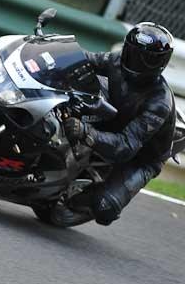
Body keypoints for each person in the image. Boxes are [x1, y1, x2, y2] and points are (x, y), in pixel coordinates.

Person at [63, 23, 176, 225]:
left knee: (105, 207)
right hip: (115, 118)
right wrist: (55, 50)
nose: (135, 62)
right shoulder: (116, 62)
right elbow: (86, 58)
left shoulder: (159, 103)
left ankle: (72, 199)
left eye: (145, 60)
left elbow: (126, 146)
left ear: (159, 63)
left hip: (140, 157)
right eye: (132, 53)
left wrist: (86, 132)